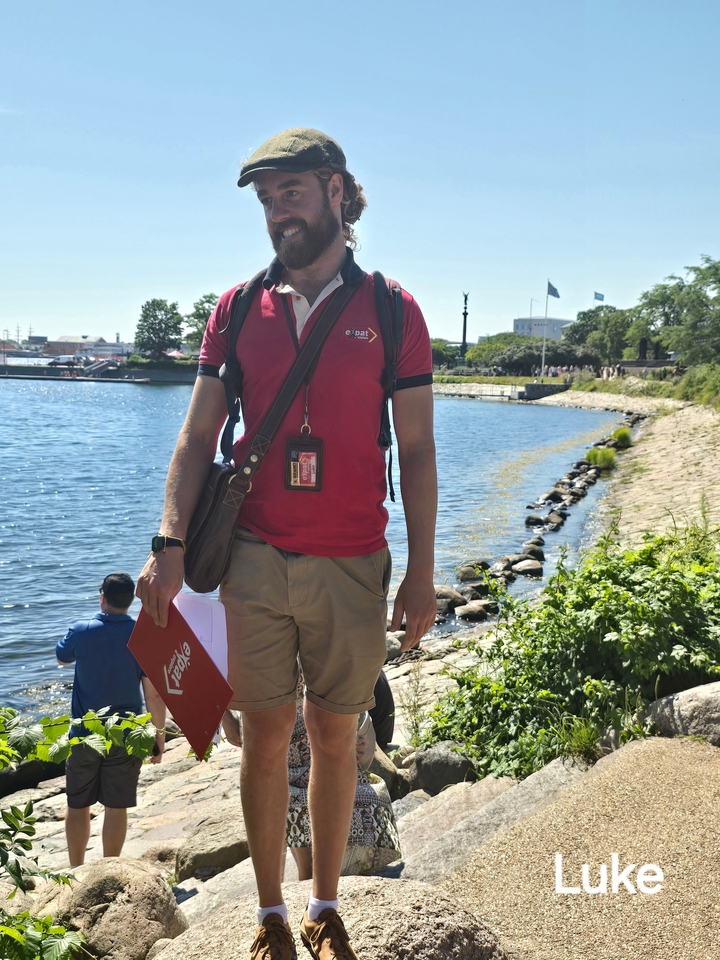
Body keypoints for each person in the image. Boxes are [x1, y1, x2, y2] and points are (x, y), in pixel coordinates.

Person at [136, 126, 437, 960]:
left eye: (292, 193)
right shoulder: (236, 311)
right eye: (267, 200)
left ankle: (326, 898)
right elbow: (198, 439)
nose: (278, 213)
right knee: (265, 734)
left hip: (352, 557)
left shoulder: (390, 309)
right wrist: (166, 541)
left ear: (339, 192)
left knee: (336, 734)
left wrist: (421, 571)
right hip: (255, 556)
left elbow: (414, 448)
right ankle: (270, 910)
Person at [56, 572, 166, 867]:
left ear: (102, 596)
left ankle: (76, 869)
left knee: (77, 804)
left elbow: (62, 658)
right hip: (128, 732)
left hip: (84, 732)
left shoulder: (82, 629)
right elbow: (153, 693)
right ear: (131, 600)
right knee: (117, 806)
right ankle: (109, 869)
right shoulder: (143, 634)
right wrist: (158, 735)